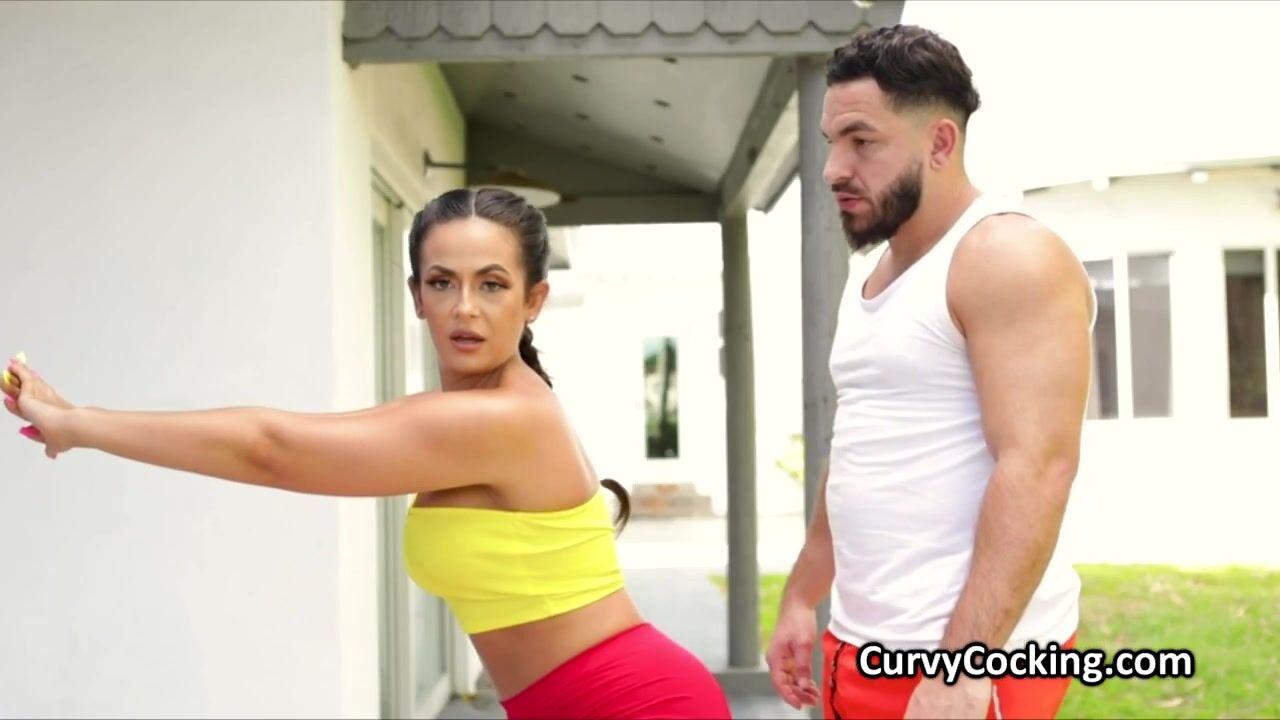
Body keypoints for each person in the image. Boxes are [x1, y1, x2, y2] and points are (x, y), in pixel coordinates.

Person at [3, 187, 733, 720]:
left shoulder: (506, 418)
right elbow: (300, 434)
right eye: (442, 282)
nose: (465, 307)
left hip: (634, 704)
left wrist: (82, 426)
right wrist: (75, 419)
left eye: (492, 284)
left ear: (533, 300)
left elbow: (272, 449)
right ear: (416, 295)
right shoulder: (467, 414)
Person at [765, 25, 1094, 720]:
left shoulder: (1006, 255)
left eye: (862, 141)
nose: (832, 169)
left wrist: (965, 668)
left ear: (941, 143)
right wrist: (802, 595)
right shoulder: (874, 272)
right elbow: (858, 448)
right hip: (860, 645)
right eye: (831, 142)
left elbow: (1039, 466)